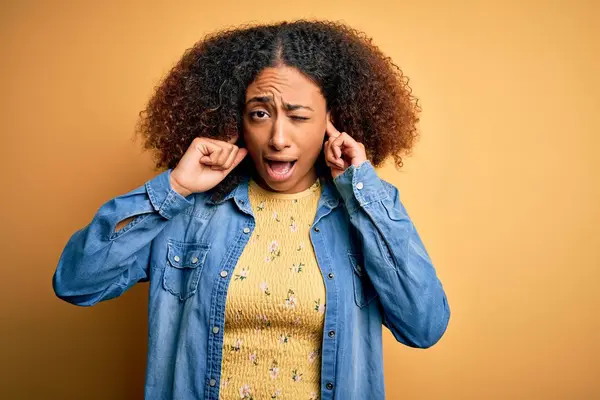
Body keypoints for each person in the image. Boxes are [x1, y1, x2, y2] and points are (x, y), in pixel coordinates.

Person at [52, 19, 450, 400]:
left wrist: (362, 191)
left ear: (332, 120)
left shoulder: (363, 212)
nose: (278, 138)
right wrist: (174, 187)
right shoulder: (190, 212)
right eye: (260, 114)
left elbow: (424, 326)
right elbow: (76, 282)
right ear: (237, 119)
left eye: (298, 116)